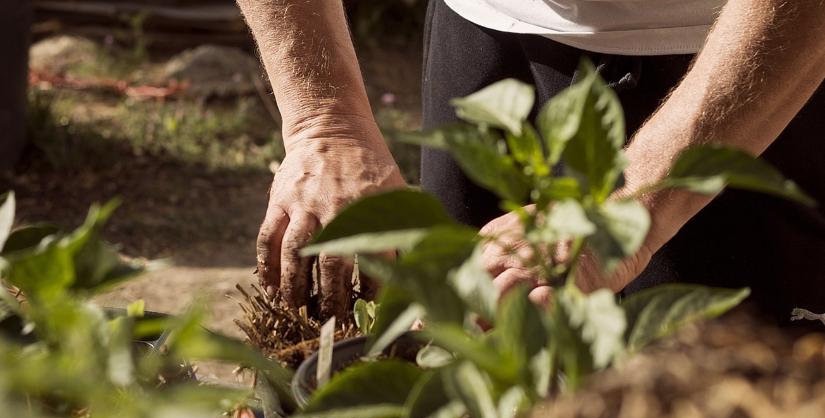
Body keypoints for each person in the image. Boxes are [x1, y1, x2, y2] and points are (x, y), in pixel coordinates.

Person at [237, 0, 825, 321]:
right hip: (483, 41)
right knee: (465, 370)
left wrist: (635, 198)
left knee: (706, 413)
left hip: (744, 67)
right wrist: (325, 120)